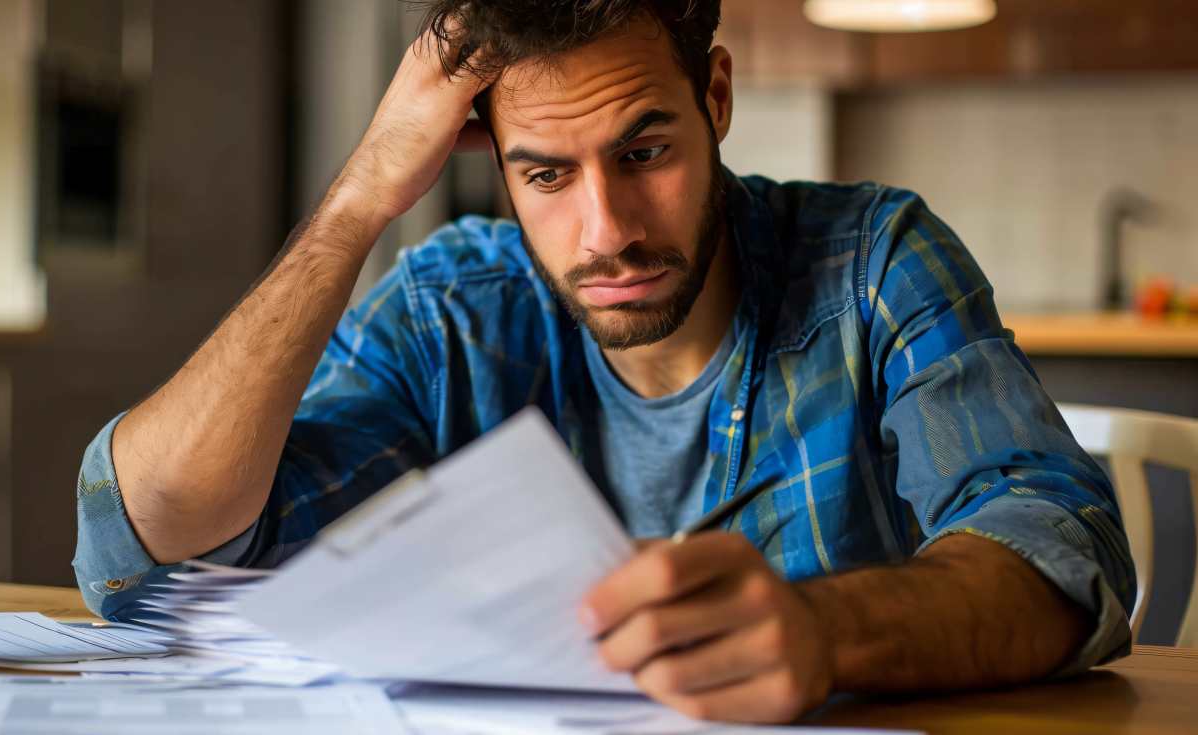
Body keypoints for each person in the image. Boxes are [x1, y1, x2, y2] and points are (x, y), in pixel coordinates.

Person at [72, 0, 1135, 723]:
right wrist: (358, 202)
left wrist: (824, 630)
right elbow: (154, 549)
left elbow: (1055, 548)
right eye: (543, 175)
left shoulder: (869, 263)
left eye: (643, 153)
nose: (605, 231)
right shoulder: (451, 312)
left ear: (713, 99)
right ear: (487, 158)